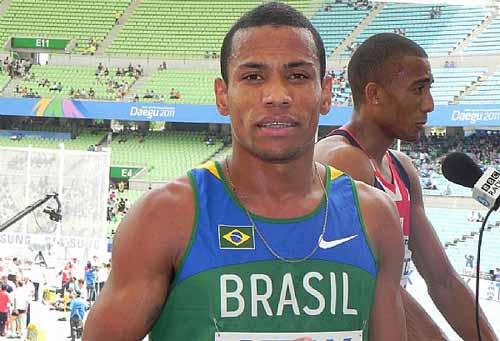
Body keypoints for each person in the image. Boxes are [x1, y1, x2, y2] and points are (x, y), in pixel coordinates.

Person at [83, 3, 407, 340]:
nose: (277, 96)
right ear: (223, 96)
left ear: (325, 93)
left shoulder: (374, 217)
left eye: (298, 75)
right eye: (253, 77)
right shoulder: (164, 217)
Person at [315, 33, 498, 340]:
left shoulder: (402, 168)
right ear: (374, 94)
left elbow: (442, 280)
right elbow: (370, 285)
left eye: (429, 89)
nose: (429, 104)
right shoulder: (343, 160)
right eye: (418, 89)